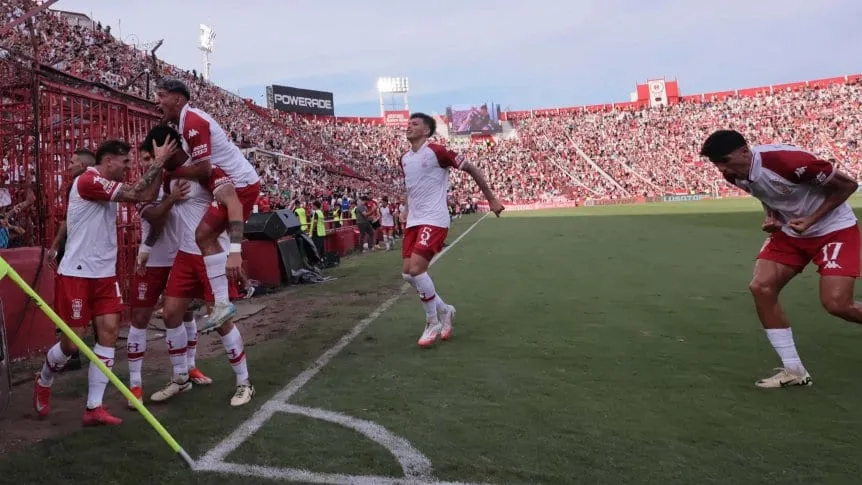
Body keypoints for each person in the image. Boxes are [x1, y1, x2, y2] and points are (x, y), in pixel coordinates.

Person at [700, 129, 861, 388]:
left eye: (724, 161)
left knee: (837, 304)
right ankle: (794, 371)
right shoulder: (733, 174)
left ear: (744, 151)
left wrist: (811, 220)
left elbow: (847, 186)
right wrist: (772, 217)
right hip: (792, 232)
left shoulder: (788, 162)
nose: (721, 169)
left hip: (834, 229)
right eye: (715, 163)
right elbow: (768, 194)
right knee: (761, 287)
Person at [33, 138, 174, 426]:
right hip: (77, 272)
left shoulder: (105, 184)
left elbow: (144, 193)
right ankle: (44, 378)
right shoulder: (88, 181)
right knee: (72, 343)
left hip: (104, 274)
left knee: (109, 332)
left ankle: (93, 406)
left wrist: (161, 170)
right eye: (125, 163)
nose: (128, 168)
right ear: (109, 160)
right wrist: (158, 162)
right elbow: (137, 192)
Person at [147, 125, 255, 407]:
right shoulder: (167, 176)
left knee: (221, 321)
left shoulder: (204, 170)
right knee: (170, 314)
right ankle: (180, 378)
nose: (153, 155)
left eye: (157, 150)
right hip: (184, 254)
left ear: (169, 145)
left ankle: (244, 382)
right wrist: (159, 168)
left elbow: (233, 200)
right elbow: (144, 199)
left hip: (210, 255)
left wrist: (235, 250)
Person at [155, 79, 261, 335]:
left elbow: (203, 168)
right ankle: (220, 300)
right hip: (235, 182)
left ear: (178, 99)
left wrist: (164, 166)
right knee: (204, 236)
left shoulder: (193, 123)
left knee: (204, 235)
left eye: (161, 95)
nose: (157, 100)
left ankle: (223, 300)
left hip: (240, 184)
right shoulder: (185, 122)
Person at [126, 127, 214, 408]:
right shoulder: (152, 181)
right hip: (153, 261)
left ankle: (189, 368)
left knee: (185, 313)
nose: (146, 162)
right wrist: (147, 247)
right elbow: (151, 216)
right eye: (144, 158)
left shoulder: (180, 176)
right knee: (139, 317)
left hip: (179, 255)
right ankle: (135, 386)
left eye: (150, 156)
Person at [400, 113, 505, 348]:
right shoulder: (404, 159)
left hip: (434, 219)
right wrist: (406, 209)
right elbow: (412, 188)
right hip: (414, 220)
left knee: (417, 269)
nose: (409, 126)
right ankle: (445, 311)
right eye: (408, 123)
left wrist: (491, 199)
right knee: (407, 274)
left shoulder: (438, 152)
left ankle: (432, 322)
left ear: (426, 131)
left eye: (414, 124)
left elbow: (472, 169)